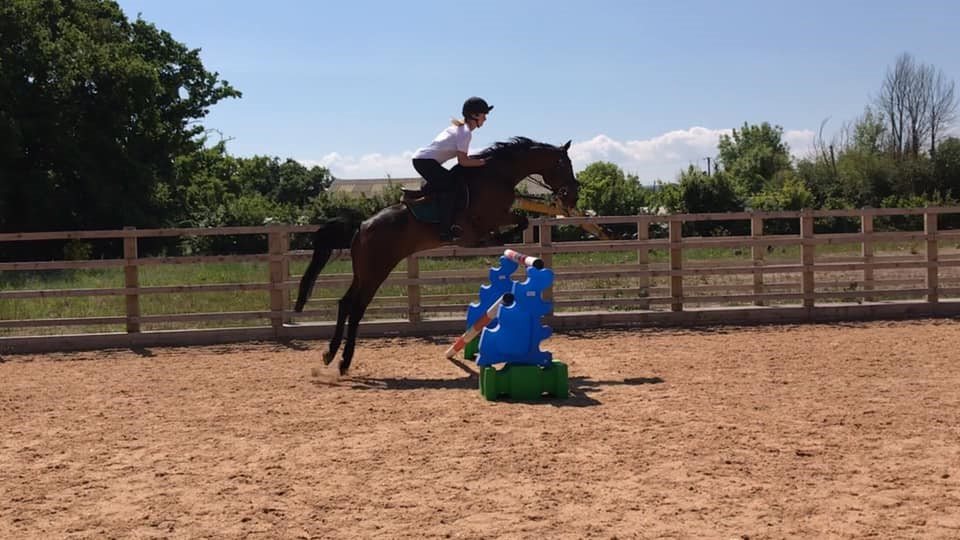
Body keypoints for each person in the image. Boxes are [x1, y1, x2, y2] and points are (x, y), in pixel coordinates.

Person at [412, 97, 493, 240]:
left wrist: (478, 161)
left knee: (452, 182)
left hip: (423, 160)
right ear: (474, 115)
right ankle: (444, 230)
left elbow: (463, 160)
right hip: (425, 162)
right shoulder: (465, 132)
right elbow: (463, 162)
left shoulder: (460, 129)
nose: (485, 118)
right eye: (483, 115)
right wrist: (484, 163)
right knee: (452, 188)